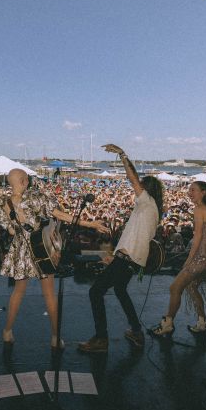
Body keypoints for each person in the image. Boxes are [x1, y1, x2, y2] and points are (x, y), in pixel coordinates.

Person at [0, 168, 108, 350]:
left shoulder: (1, 203)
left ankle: (7, 332)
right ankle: (55, 338)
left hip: (21, 250)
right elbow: (60, 215)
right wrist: (90, 224)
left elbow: (10, 230)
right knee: (49, 294)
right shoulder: (36, 196)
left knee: (18, 292)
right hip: (41, 248)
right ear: (24, 181)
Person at [78, 144, 164, 353]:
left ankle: (101, 339)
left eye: (141, 186)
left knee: (95, 292)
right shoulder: (149, 209)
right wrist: (114, 255)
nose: (136, 189)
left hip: (128, 259)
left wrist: (122, 155)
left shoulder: (147, 202)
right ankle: (136, 330)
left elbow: (132, 178)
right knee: (120, 290)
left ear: (146, 189)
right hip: (130, 259)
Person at [151, 181, 206, 337]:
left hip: (202, 258)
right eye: (189, 190)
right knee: (191, 286)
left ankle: (168, 323)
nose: (190, 193)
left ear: (203, 192)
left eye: (193, 190)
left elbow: (198, 237)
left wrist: (189, 260)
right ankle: (202, 323)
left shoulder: (199, 209)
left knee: (175, 288)